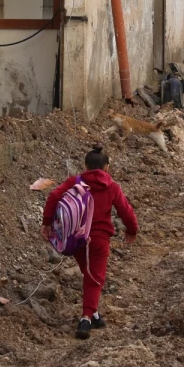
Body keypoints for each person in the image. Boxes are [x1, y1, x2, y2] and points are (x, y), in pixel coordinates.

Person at [42, 145, 139, 339]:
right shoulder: (111, 186)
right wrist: (132, 229)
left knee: (90, 274)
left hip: (76, 237)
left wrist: (47, 223)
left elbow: (53, 195)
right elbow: (125, 210)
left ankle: (94, 314)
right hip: (99, 239)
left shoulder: (75, 181)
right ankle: (85, 319)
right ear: (107, 167)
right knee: (95, 277)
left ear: (85, 166)